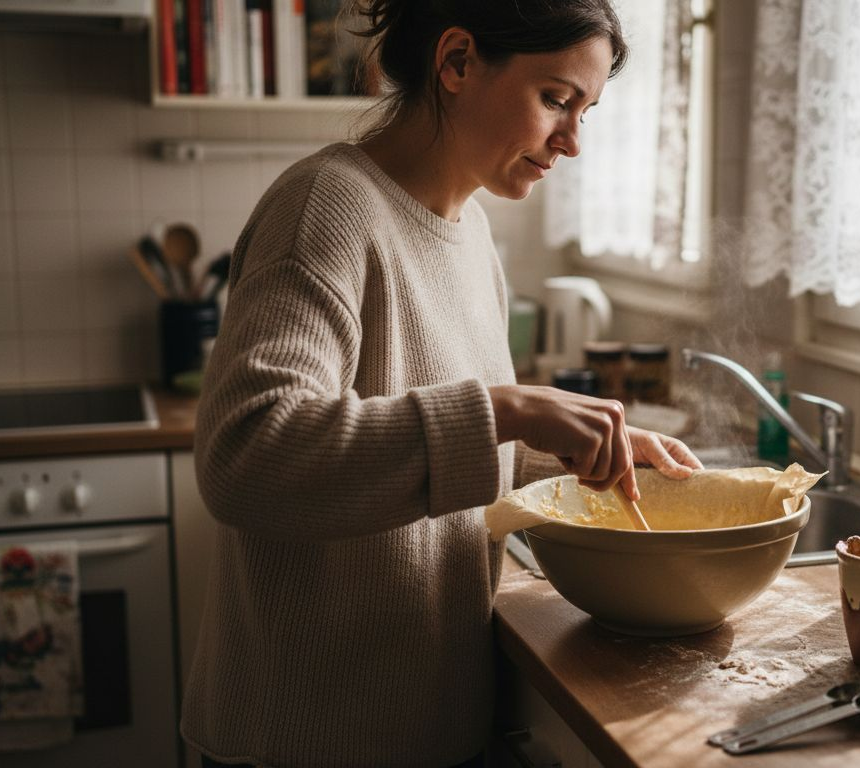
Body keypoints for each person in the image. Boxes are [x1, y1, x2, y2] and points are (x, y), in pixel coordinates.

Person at [180, 1, 702, 766]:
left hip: (426, 724)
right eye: (556, 99)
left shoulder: (469, 230)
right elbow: (248, 457)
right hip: (308, 739)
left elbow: (444, 451)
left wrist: (574, 453)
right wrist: (511, 407)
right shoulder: (325, 207)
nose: (573, 142)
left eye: (585, 110)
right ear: (456, 62)